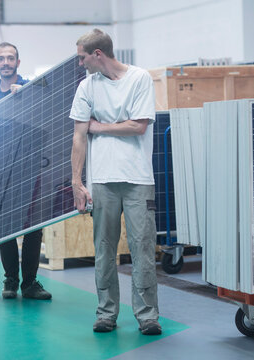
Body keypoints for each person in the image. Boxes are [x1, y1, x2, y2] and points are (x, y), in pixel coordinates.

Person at [70, 29, 161, 335]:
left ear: (98, 54)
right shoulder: (86, 87)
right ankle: (106, 313)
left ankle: (148, 315)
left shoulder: (140, 79)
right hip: (102, 181)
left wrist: (100, 125)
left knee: (143, 248)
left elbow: (138, 126)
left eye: (82, 56)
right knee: (104, 250)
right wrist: (76, 182)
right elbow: (79, 136)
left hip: (137, 178)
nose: (80, 63)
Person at [0, 42, 52, 300]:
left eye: (10, 58)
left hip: (30, 169)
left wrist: (28, 96)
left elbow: (50, 112)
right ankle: (10, 281)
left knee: (33, 227)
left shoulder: (32, 88)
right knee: (2, 225)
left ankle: (30, 283)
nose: (6, 62)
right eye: (1, 58)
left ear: (18, 62)